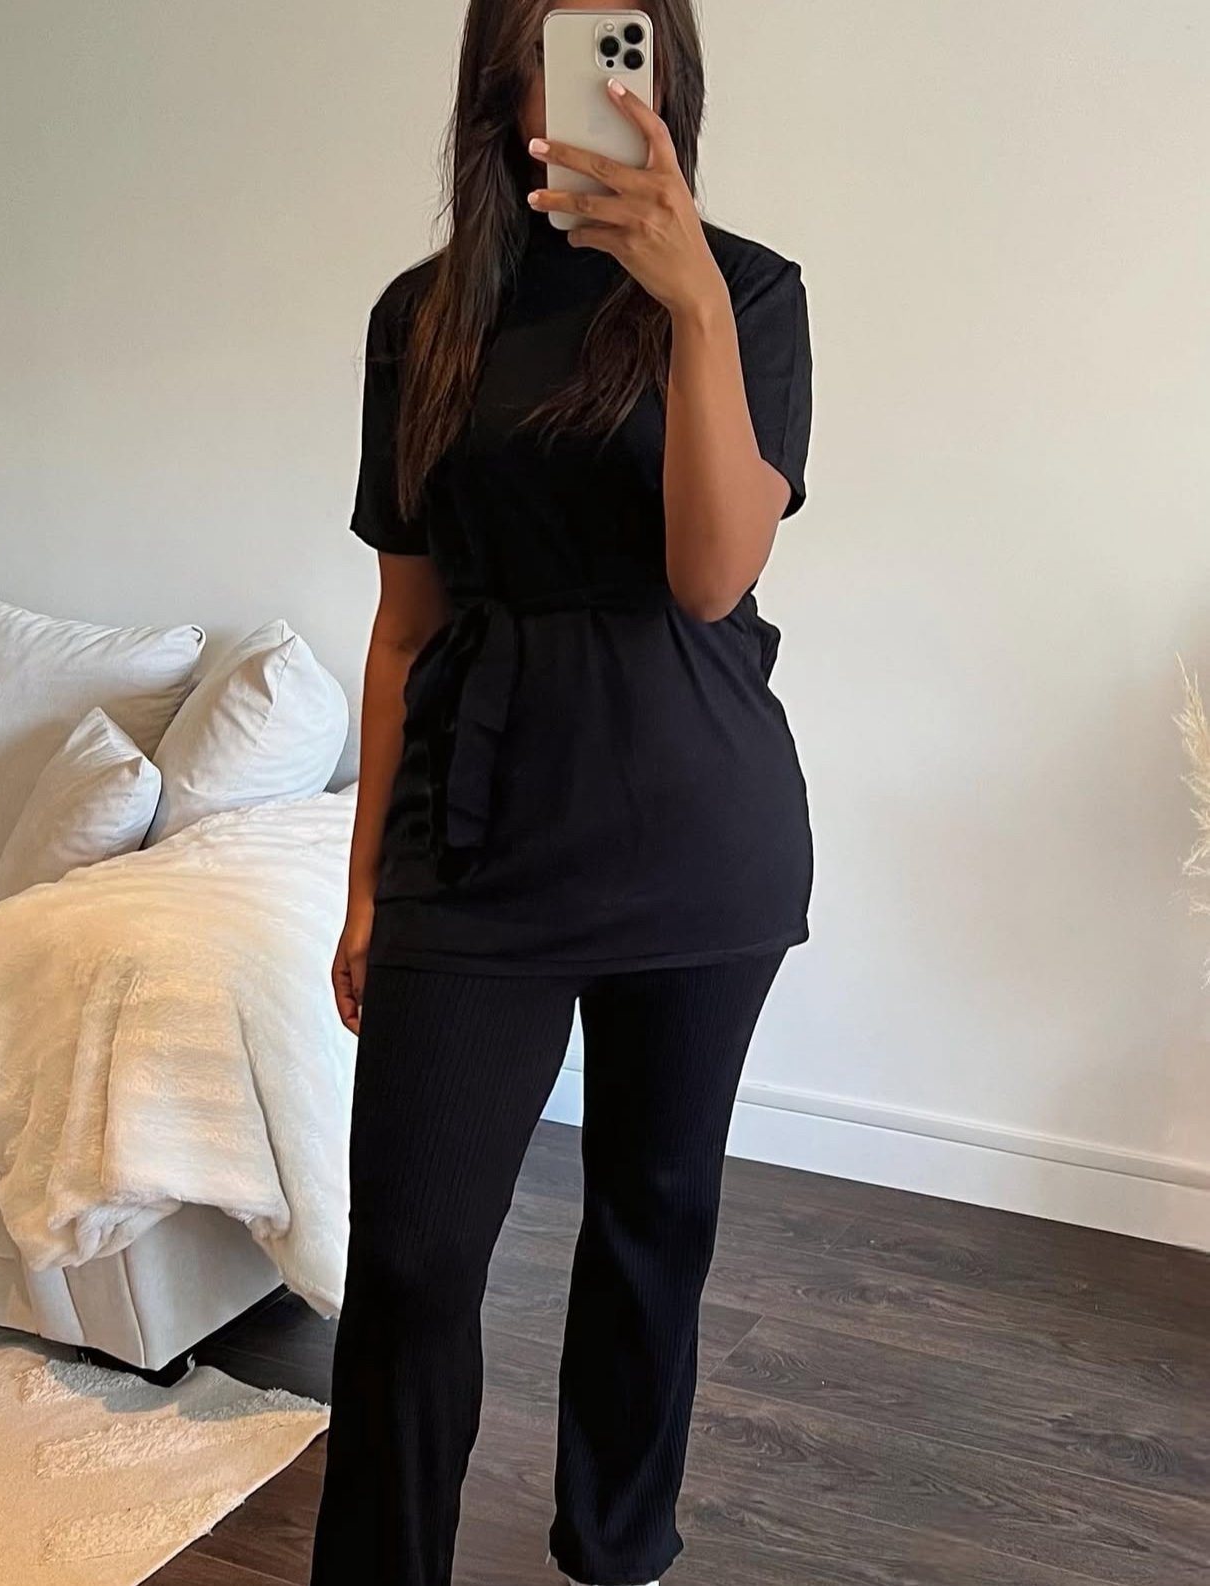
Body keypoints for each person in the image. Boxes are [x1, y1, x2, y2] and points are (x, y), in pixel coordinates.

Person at [309, 1, 813, 1582]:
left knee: (652, 1220)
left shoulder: (749, 293)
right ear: (501, 75)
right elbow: (406, 626)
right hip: (478, 832)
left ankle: (617, 1549)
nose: (588, 77)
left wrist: (691, 306)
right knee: (410, 1259)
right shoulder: (422, 319)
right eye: (554, 40)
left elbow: (713, 573)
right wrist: (366, 886)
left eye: (620, 40)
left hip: (695, 832)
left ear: (665, 69)